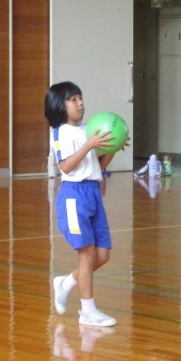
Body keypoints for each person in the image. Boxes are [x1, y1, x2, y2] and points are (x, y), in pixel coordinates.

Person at [45, 81, 127, 327]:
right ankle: (88, 311)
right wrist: (89, 144)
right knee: (88, 254)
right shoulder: (60, 132)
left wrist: (114, 148)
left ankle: (66, 282)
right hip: (74, 196)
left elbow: (98, 166)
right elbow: (66, 167)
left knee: (102, 255)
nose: (80, 103)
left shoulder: (87, 131)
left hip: (93, 193)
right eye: (73, 99)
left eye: (80, 98)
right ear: (60, 104)